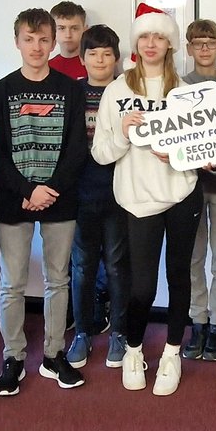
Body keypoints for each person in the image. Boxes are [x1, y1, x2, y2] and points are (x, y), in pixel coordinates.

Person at [91, 4, 201, 396]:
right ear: (136, 42)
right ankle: (135, 349)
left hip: (182, 194)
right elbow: (101, 153)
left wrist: (179, 154)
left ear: (169, 43)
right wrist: (121, 131)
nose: (151, 43)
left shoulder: (186, 92)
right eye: (144, 36)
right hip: (136, 199)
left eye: (158, 36)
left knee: (179, 276)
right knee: (141, 286)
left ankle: (172, 353)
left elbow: (206, 153)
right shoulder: (117, 90)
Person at [0, 8, 88, 396]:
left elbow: (78, 146)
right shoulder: (0, 91)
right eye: (29, 39)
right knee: (11, 283)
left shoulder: (70, 89)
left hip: (60, 198)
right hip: (16, 200)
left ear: (54, 41)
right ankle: (13, 357)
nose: (37, 47)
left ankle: (53, 354)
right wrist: (27, 190)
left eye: (44, 39)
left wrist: (49, 189)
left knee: (57, 279)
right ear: (17, 42)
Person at [67, 24, 131, 370]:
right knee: (82, 266)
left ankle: (119, 333)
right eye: (93, 53)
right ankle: (83, 332)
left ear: (117, 58)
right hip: (81, 191)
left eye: (107, 53)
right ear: (83, 58)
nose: (101, 60)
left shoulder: (127, 92)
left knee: (119, 265)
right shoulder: (72, 93)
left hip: (119, 190)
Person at [181, 19, 216, 362]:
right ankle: (197, 320)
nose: (204, 49)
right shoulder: (179, 86)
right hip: (189, 185)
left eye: (210, 43)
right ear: (188, 48)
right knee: (193, 257)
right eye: (198, 43)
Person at [49, 0, 88, 80]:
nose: (68, 35)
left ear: (85, 30)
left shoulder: (95, 66)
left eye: (74, 28)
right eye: (61, 28)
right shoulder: (46, 68)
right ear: (52, 31)